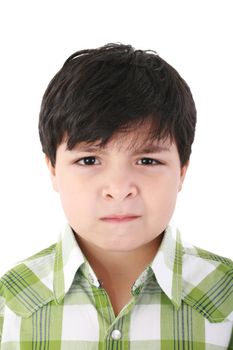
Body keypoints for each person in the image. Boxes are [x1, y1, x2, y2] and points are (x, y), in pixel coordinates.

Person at [0, 43, 232, 349]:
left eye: (148, 161)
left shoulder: (226, 295)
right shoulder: (10, 301)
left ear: (182, 171)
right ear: (53, 170)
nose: (120, 188)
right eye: (89, 160)